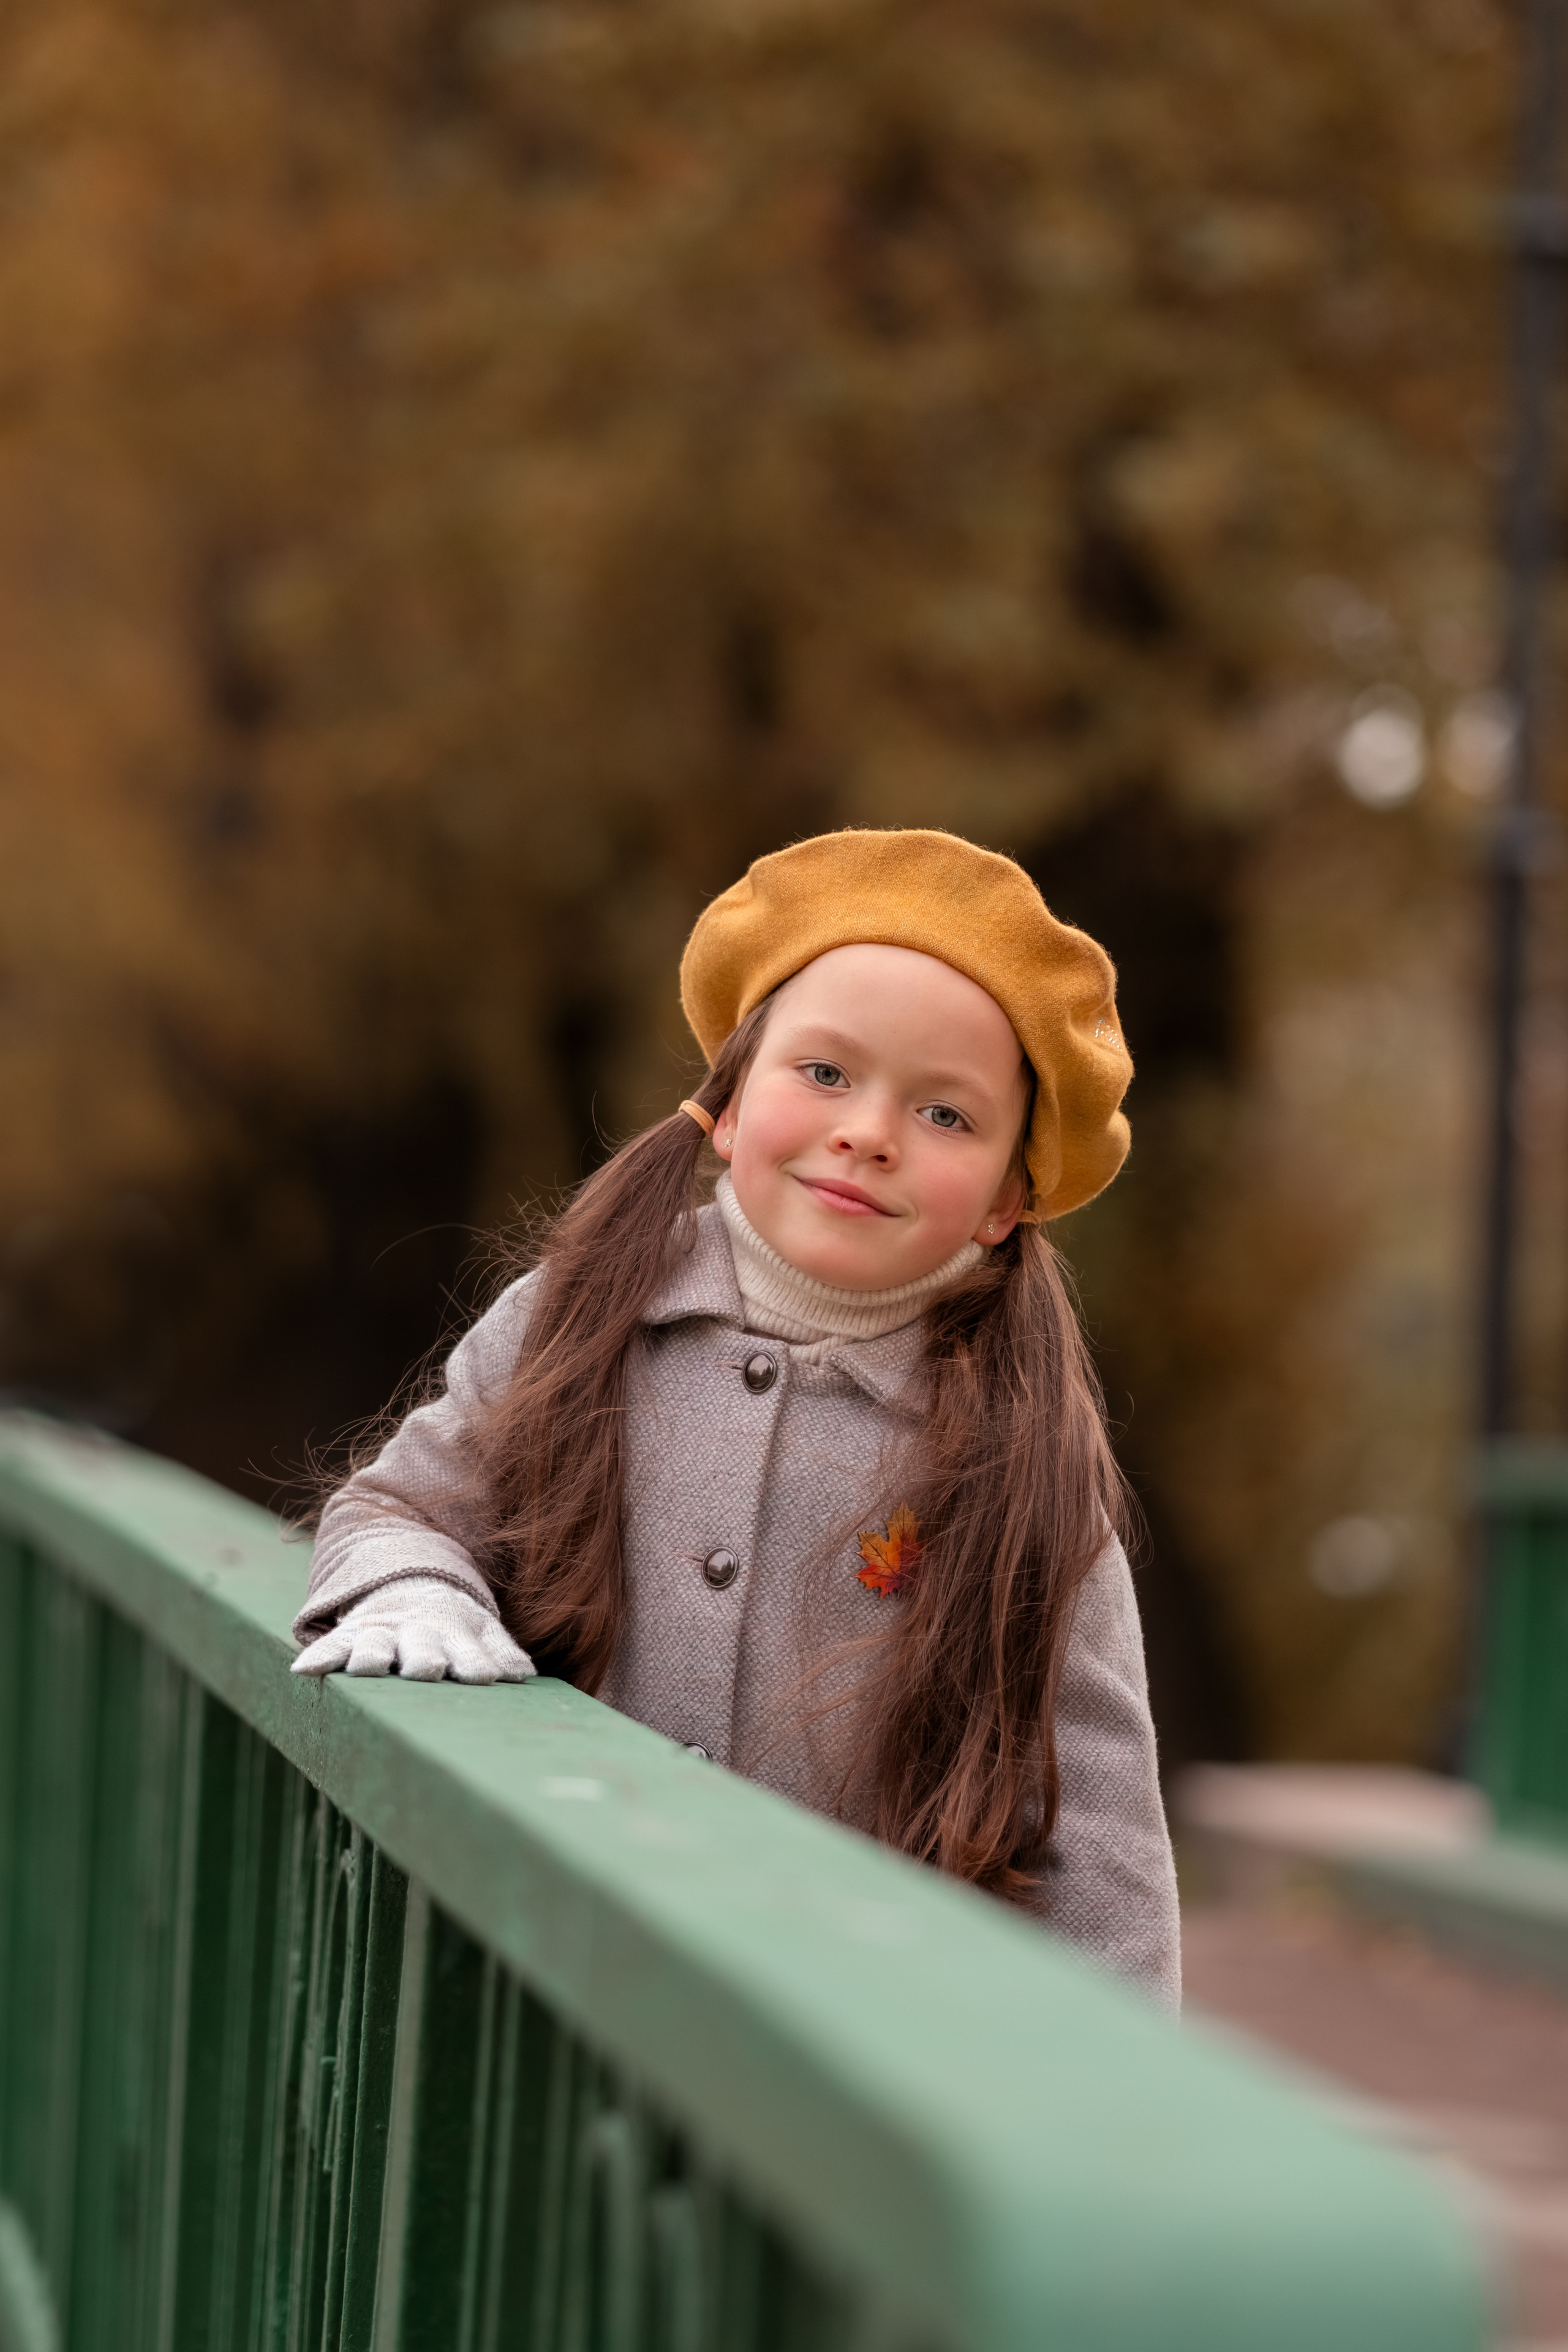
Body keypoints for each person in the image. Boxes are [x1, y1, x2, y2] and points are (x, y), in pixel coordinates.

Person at [292, 827, 1180, 2010]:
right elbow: (405, 1502)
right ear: (724, 1101)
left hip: (837, 2062)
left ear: (1010, 1199)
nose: (869, 1131)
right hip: (543, 1995)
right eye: (825, 1074)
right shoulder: (582, 1313)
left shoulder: (1020, 1469)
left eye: (947, 1116)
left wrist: (1105, 2108)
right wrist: (415, 1585)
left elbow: (1102, 1850)